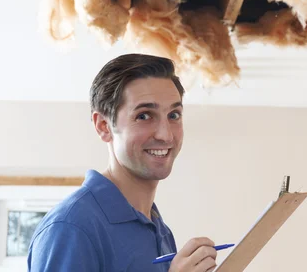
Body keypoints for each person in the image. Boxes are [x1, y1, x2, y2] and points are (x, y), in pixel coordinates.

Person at [28, 54, 218, 272]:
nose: (166, 135)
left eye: (174, 115)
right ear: (103, 126)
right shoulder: (71, 226)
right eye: (144, 116)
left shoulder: (160, 230)